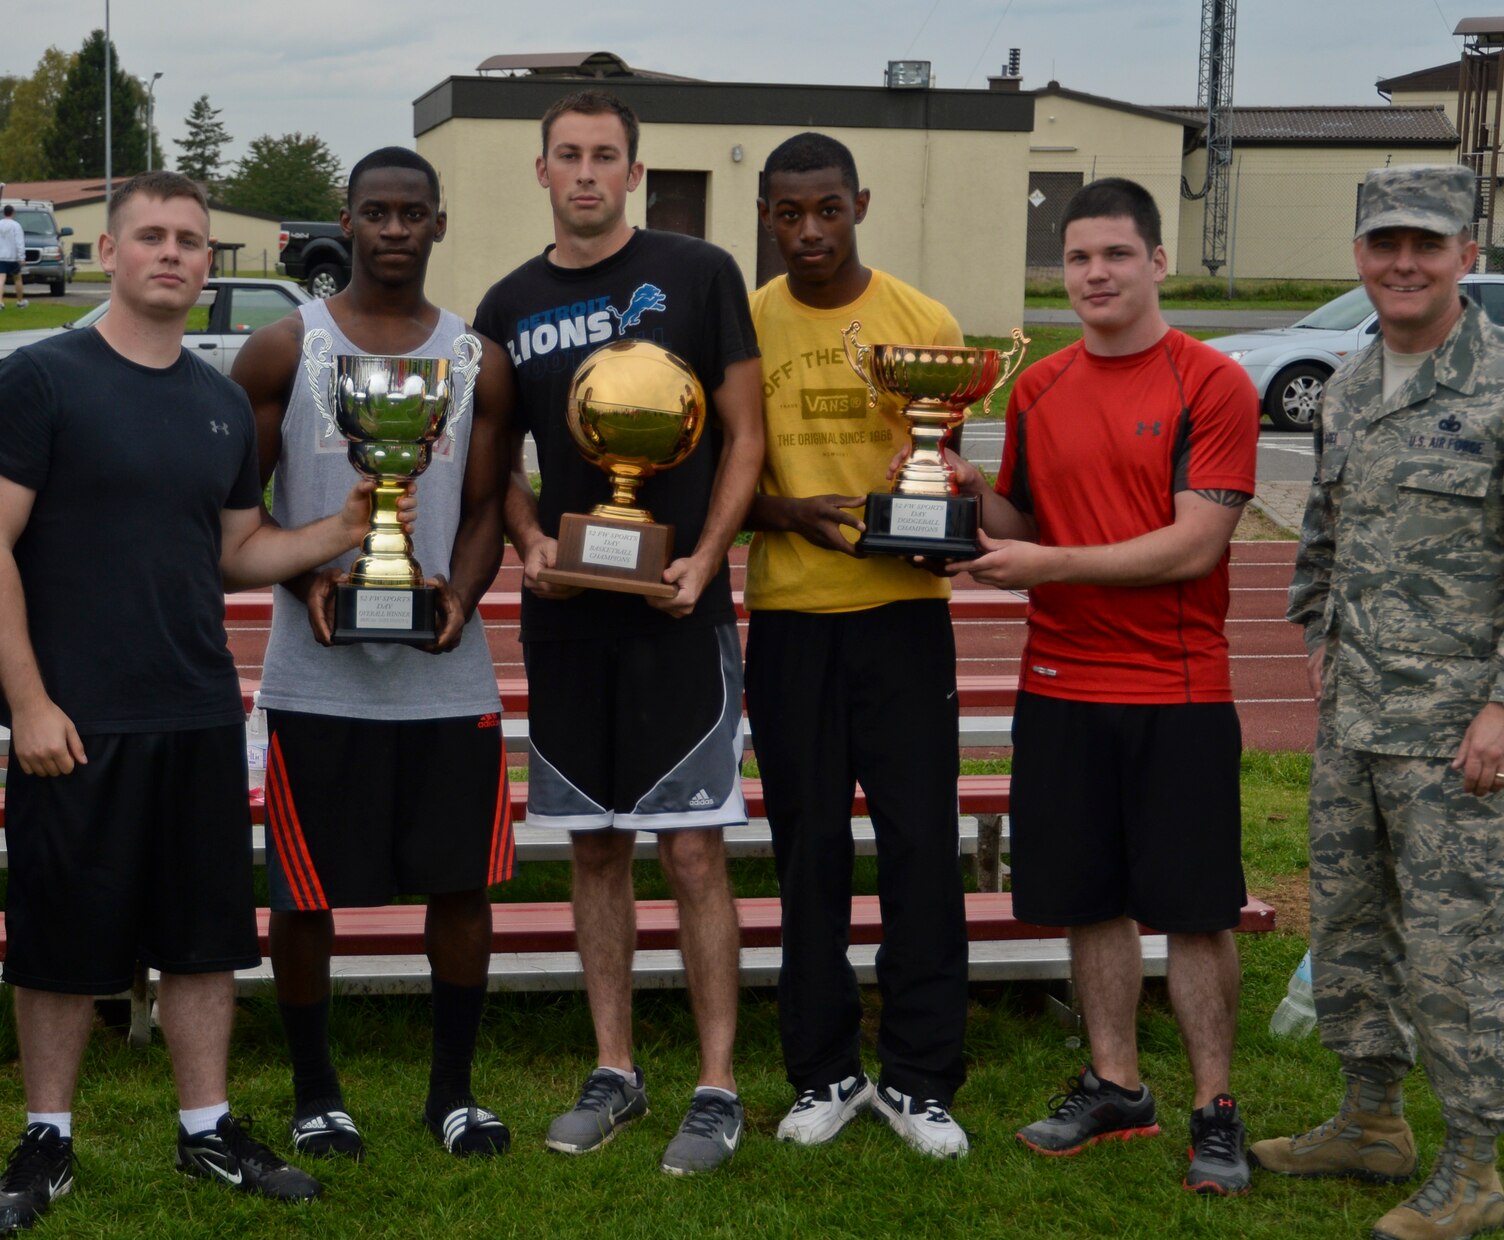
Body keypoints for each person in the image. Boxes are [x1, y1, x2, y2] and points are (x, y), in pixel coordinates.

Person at [0, 171, 387, 1236]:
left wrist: (337, 534)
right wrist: (28, 699)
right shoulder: (40, 380)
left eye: (191, 241)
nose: (172, 253)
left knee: (204, 939)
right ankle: (45, 1139)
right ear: (105, 252)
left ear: (210, 264)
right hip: (73, 718)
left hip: (196, 710)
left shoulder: (214, 402)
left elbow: (239, 551)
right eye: (149, 236)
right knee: (59, 938)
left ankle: (207, 1128)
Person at [1261, 164, 1504, 1240]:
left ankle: (1472, 1168)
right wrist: (1320, 638)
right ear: (1359, 258)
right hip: (1356, 728)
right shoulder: (1351, 387)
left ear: (1467, 252)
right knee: (1354, 932)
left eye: (1425, 244)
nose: (1402, 264)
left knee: (1457, 955)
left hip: (1463, 741)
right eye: (1383, 245)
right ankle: (1368, 1119)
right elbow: (1320, 539)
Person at [936, 177, 1260, 1195]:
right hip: (1060, 685)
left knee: (1196, 909)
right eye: (1077, 258)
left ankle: (1214, 1107)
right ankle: (1115, 1084)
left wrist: (1049, 567)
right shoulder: (1036, 387)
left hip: (1174, 687)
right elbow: (1026, 524)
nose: (1094, 274)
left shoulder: (1210, 382)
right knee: (1091, 902)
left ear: (1157, 262)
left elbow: (1193, 544)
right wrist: (968, 494)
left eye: (1115, 255)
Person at [474, 90, 765, 1175]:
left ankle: (716, 1083)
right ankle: (614, 1070)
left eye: (605, 156)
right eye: (567, 156)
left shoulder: (698, 273)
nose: (586, 172)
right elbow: (493, 457)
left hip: (676, 608)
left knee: (693, 850)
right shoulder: (505, 303)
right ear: (539, 171)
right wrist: (525, 541)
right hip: (566, 620)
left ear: (633, 172)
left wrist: (706, 553)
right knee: (593, 848)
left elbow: (744, 436)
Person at [229, 147, 518, 1160]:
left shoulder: (478, 359)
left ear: (439, 224)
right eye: (374, 213)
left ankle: (451, 1093)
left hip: (445, 670)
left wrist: (461, 595)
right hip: (318, 674)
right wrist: (304, 576)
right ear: (344, 223)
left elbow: (484, 508)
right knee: (304, 893)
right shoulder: (280, 350)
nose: (393, 230)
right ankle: (316, 1093)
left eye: (412, 214)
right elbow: (238, 510)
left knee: (461, 888)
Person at [742, 133, 969, 1158]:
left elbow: (945, 467)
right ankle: (823, 1071)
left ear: (859, 205)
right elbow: (720, 486)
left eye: (825, 210)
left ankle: (922, 1078)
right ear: (764, 214)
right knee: (809, 856)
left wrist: (940, 524)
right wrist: (786, 512)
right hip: (791, 623)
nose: (807, 233)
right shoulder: (745, 325)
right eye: (787, 214)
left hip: (901, 623)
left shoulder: (922, 323)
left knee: (921, 846)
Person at [0, 203, 26, 310]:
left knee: (0, 279)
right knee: (17, 279)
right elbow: (20, 243)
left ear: (3, 213)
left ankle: (0, 303)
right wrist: (21, 257)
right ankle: (20, 301)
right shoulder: (16, 225)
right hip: (13, 257)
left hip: (0, 257)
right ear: (13, 213)